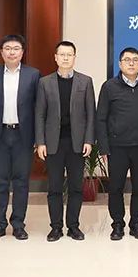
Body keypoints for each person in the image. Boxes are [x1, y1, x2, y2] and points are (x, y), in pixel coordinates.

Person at [0, 34, 40, 241]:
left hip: (24, 136)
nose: (11, 52)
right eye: (7, 48)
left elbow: (38, 109)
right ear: (1, 52)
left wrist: (38, 138)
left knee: (21, 182)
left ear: (22, 52)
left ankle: (18, 224)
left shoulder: (33, 75)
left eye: (16, 48)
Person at [35, 41, 95, 242]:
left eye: (70, 54)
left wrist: (89, 140)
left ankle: (73, 226)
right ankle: (56, 227)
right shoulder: (45, 83)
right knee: (54, 187)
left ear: (75, 57)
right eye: (62, 54)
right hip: (53, 143)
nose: (66, 58)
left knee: (76, 187)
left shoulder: (85, 82)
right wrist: (40, 142)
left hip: (77, 143)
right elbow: (40, 114)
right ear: (56, 57)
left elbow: (91, 114)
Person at [97, 47, 138, 241]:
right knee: (115, 188)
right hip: (117, 147)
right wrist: (103, 147)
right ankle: (117, 224)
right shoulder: (109, 87)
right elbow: (101, 118)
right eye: (127, 59)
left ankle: (136, 224)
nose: (131, 63)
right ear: (120, 64)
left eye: (135, 59)